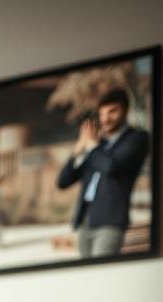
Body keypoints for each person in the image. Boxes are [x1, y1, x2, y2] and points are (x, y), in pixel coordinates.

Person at [56, 87, 150, 258]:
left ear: (125, 110)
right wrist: (78, 150)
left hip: (110, 222)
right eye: (102, 114)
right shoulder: (98, 146)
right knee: (87, 278)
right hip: (85, 221)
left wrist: (92, 146)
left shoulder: (136, 138)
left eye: (112, 112)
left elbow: (111, 167)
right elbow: (63, 181)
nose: (105, 119)